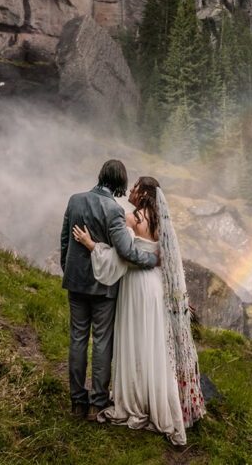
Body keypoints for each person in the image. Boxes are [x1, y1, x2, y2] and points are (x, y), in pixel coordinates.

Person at [73, 176, 205, 446]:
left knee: (135, 340)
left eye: (134, 188)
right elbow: (167, 259)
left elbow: (122, 254)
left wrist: (91, 246)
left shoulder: (131, 218)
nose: (130, 192)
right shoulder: (161, 222)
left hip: (135, 285)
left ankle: (134, 399)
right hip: (156, 287)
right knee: (155, 344)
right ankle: (157, 399)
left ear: (144, 193)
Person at [60, 159, 158, 421]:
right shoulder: (114, 210)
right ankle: (97, 403)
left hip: (76, 282)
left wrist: (68, 271)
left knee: (78, 339)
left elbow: (64, 242)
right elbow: (125, 251)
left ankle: (77, 402)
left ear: (101, 175)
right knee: (102, 342)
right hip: (104, 287)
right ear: (120, 183)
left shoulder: (75, 200)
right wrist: (152, 261)